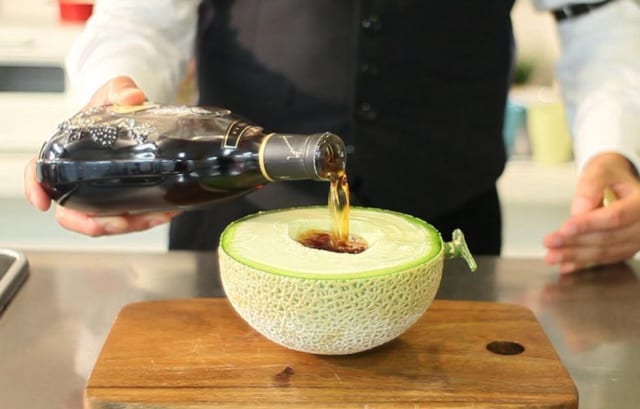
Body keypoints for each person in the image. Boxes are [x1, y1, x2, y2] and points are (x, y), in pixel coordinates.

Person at [24, 0, 640, 274]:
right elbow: (141, 16)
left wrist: (612, 147)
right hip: (230, 231)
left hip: (453, 238)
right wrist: (118, 110)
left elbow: (595, 14)